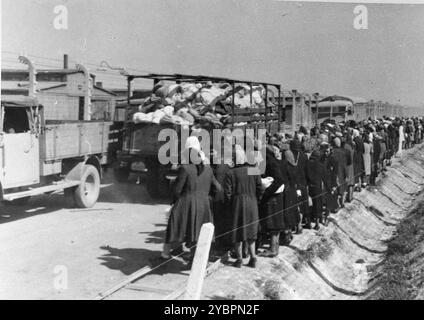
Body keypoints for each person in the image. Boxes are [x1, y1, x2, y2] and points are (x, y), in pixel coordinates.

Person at [161, 136, 221, 262]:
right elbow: (218, 189)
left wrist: (174, 200)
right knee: (197, 231)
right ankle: (194, 257)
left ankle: (166, 253)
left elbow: (177, 190)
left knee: (174, 224)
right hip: (203, 205)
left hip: (186, 202)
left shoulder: (185, 168)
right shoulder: (208, 169)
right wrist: (208, 198)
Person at [224, 146, 262, 268]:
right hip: (252, 202)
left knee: (237, 231)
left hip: (238, 203)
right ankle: (253, 258)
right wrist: (256, 199)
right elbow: (260, 188)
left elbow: (228, 192)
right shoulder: (253, 170)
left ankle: (239, 259)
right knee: (251, 232)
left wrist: (230, 203)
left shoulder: (231, 172)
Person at [258, 144, 286, 258]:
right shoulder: (274, 161)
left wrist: (267, 192)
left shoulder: (271, 163)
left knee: (273, 223)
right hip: (277, 196)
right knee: (275, 223)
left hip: (273, 197)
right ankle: (275, 247)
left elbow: (279, 180)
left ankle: (273, 249)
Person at [306, 150, 330, 230]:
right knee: (317, 205)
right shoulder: (321, 166)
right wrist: (329, 189)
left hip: (308, 186)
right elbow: (325, 179)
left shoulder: (307, 164)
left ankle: (308, 222)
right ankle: (317, 224)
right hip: (317, 187)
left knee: (308, 205)